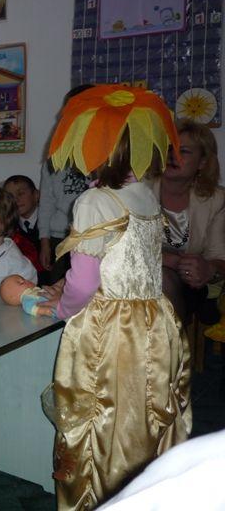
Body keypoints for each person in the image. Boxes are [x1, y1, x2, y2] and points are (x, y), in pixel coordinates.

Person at [35, 84, 191, 510]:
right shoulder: (146, 194)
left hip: (111, 328)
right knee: (143, 412)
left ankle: (99, 497)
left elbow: (85, 284)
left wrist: (60, 308)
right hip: (154, 321)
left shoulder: (94, 200)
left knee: (99, 418)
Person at [151, 119, 225, 326]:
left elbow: (219, 257)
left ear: (203, 163)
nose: (172, 156)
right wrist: (171, 261)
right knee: (161, 278)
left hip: (188, 284)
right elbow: (121, 244)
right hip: (136, 275)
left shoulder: (216, 200)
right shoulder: (139, 188)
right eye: (168, 149)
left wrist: (209, 268)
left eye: (183, 151)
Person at [38, 85, 94, 284]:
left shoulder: (104, 155)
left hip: (92, 237)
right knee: (58, 289)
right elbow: (46, 202)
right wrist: (44, 241)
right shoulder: (55, 157)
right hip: (60, 237)